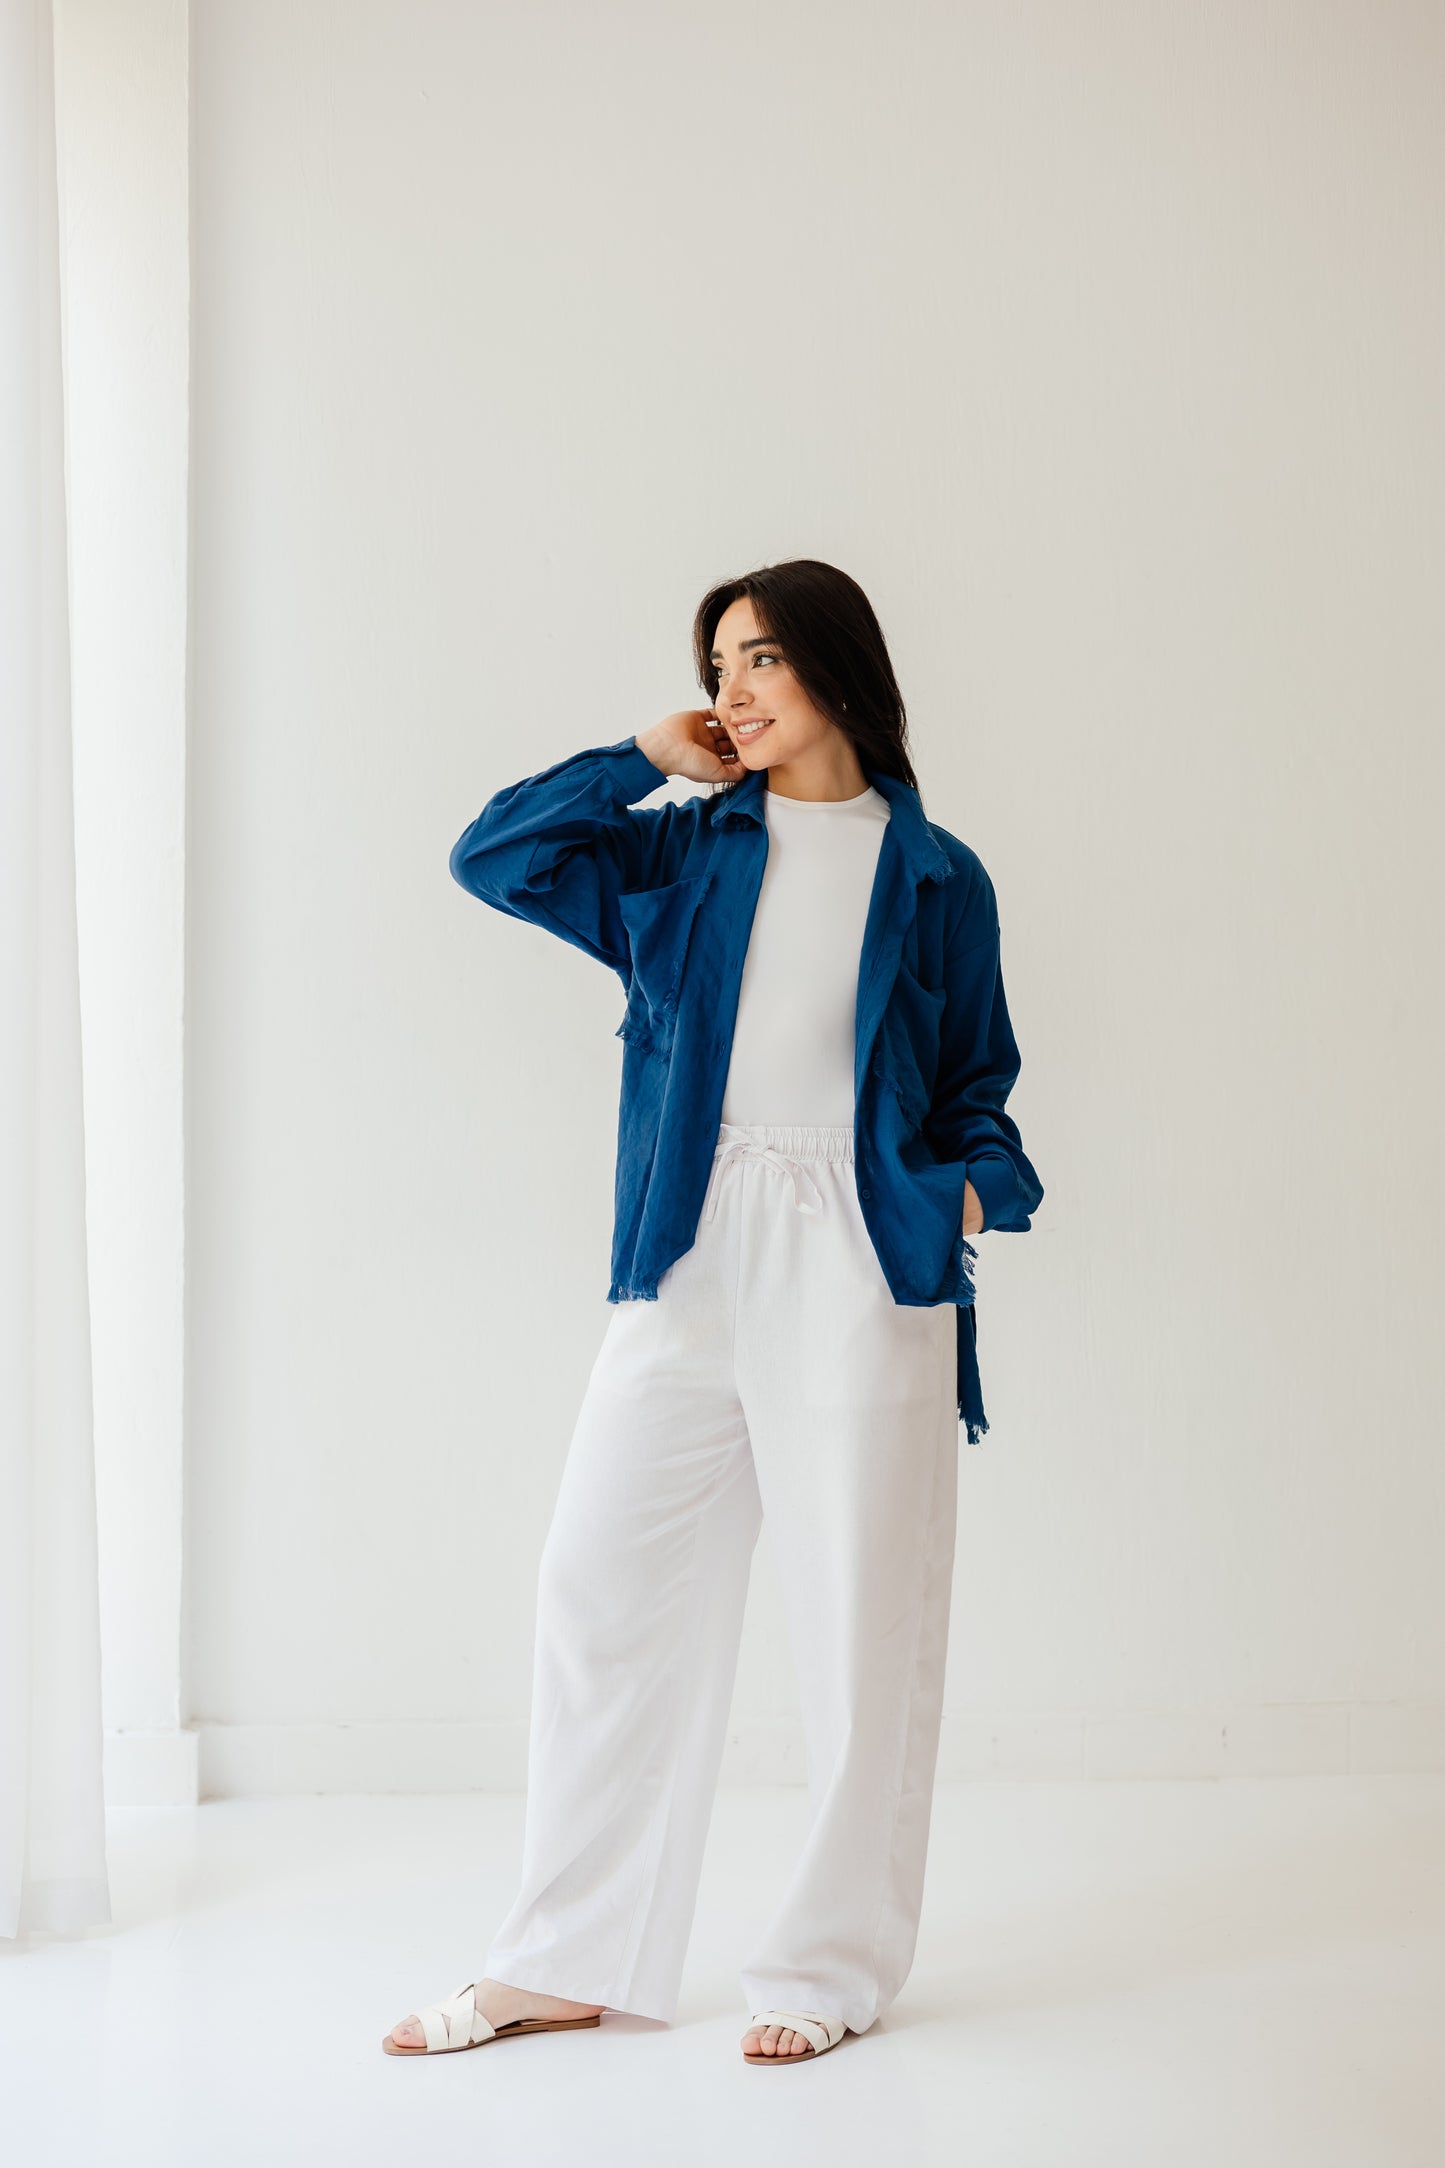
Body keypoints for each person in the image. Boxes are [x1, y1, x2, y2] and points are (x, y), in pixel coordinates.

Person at [384, 558, 1043, 2065]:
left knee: (859, 1617)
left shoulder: (937, 874)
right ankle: (567, 1954)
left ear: (833, 668)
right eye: (717, 665)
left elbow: (980, 1086)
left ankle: (825, 1967)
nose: (732, 691)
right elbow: (492, 858)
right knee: (598, 1584)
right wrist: (639, 760)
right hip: (693, 1240)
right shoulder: (680, 852)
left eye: (757, 661)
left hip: (862, 1251)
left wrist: (961, 1193)